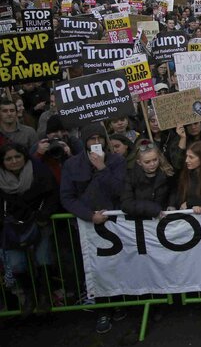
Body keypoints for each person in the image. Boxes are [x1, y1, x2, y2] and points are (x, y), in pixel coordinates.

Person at [59, 124, 126, 333]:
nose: (96, 143)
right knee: (94, 268)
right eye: (91, 139)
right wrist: (89, 216)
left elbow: (120, 190)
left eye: (99, 138)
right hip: (87, 226)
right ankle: (101, 310)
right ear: (84, 141)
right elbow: (67, 197)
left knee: (114, 265)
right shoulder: (72, 165)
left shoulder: (116, 161)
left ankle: (117, 302)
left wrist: (103, 169)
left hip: (113, 225)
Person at [0, 142, 59, 316]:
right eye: (8, 158)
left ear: (24, 156)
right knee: (17, 264)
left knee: (43, 258)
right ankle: (29, 296)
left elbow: (53, 194)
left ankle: (45, 295)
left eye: (17, 157)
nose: (14, 161)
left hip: (38, 222)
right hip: (11, 228)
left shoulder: (39, 170)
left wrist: (44, 214)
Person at [121, 140, 175, 218]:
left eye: (155, 160)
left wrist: (172, 204)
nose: (152, 164)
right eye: (147, 162)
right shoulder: (131, 176)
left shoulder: (167, 173)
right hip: (142, 221)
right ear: (139, 162)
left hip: (164, 219)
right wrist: (152, 209)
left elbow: (174, 191)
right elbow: (126, 204)